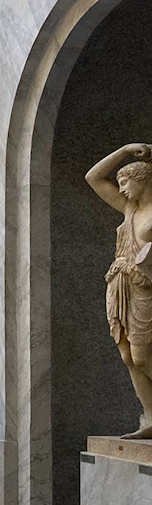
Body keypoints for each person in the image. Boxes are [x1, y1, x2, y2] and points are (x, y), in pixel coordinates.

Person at [86, 143, 152, 439]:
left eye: (126, 183)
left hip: (145, 287)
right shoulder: (129, 209)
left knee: (142, 357)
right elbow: (94, 177)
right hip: (120, 287)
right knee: (127, 356)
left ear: (143, 180)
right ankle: (150, 417)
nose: (122, 189)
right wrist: (125, 151)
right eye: (120, 183)